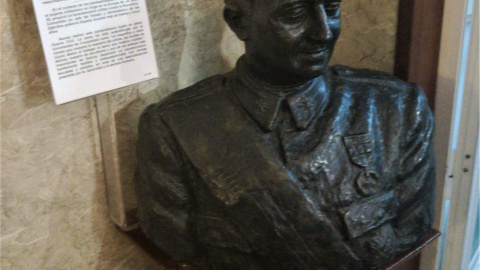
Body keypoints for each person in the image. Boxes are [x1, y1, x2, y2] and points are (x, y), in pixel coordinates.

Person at [135, 0, 435, 269]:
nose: (324, 32)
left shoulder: (396, 108)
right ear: (239, 23)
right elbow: (174, 239)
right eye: (294, 13)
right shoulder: (174, 127)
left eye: (330, 8)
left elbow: (411, 226)